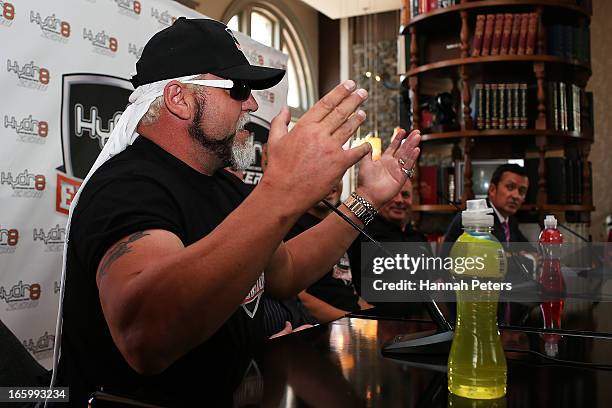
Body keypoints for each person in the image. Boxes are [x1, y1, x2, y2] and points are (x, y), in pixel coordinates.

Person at [53, 18, 421, 403]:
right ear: (179, 99)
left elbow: (286, 271)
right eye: (239, 88)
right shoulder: (127, 187)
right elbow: (146, 335)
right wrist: (281, 192)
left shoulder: (223, 185)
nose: (253, 103)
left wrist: (366, 199)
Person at [285, 181, 371, 323]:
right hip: (317, 329)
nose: (332, 183)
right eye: (327, 173)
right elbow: (299, 299)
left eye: (338, 175)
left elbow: (358, 288)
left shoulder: (347, 223)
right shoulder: (291, 226)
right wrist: (351, 321)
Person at [348, 178, 431, 297]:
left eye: (405, 195)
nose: (399, 200)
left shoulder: (418, 238)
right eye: (392, 194)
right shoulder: (362, 234)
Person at [444, 163, 529, 245]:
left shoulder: (511, 221)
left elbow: (531, 251)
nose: (516, 196)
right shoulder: (473, 218)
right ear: (492, 190)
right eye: (510, 187)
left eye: (522, 191)